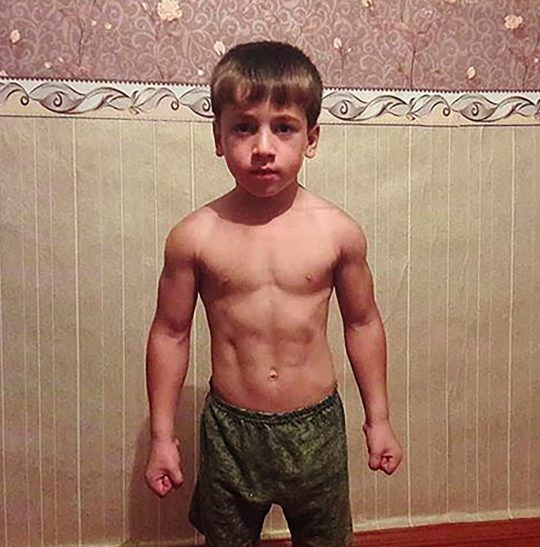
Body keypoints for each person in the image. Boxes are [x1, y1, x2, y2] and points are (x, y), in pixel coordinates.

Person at [144, 40, 402, 547]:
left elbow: (363, 322)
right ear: (219, 137)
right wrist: (161, 436)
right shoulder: (194, 236)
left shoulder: (338, 232)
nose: (263, 147)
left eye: (283, 127)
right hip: (231, 430)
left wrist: (380, 420)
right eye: (244, 127)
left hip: (316, 427)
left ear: (311, 138)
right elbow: (170, 333)